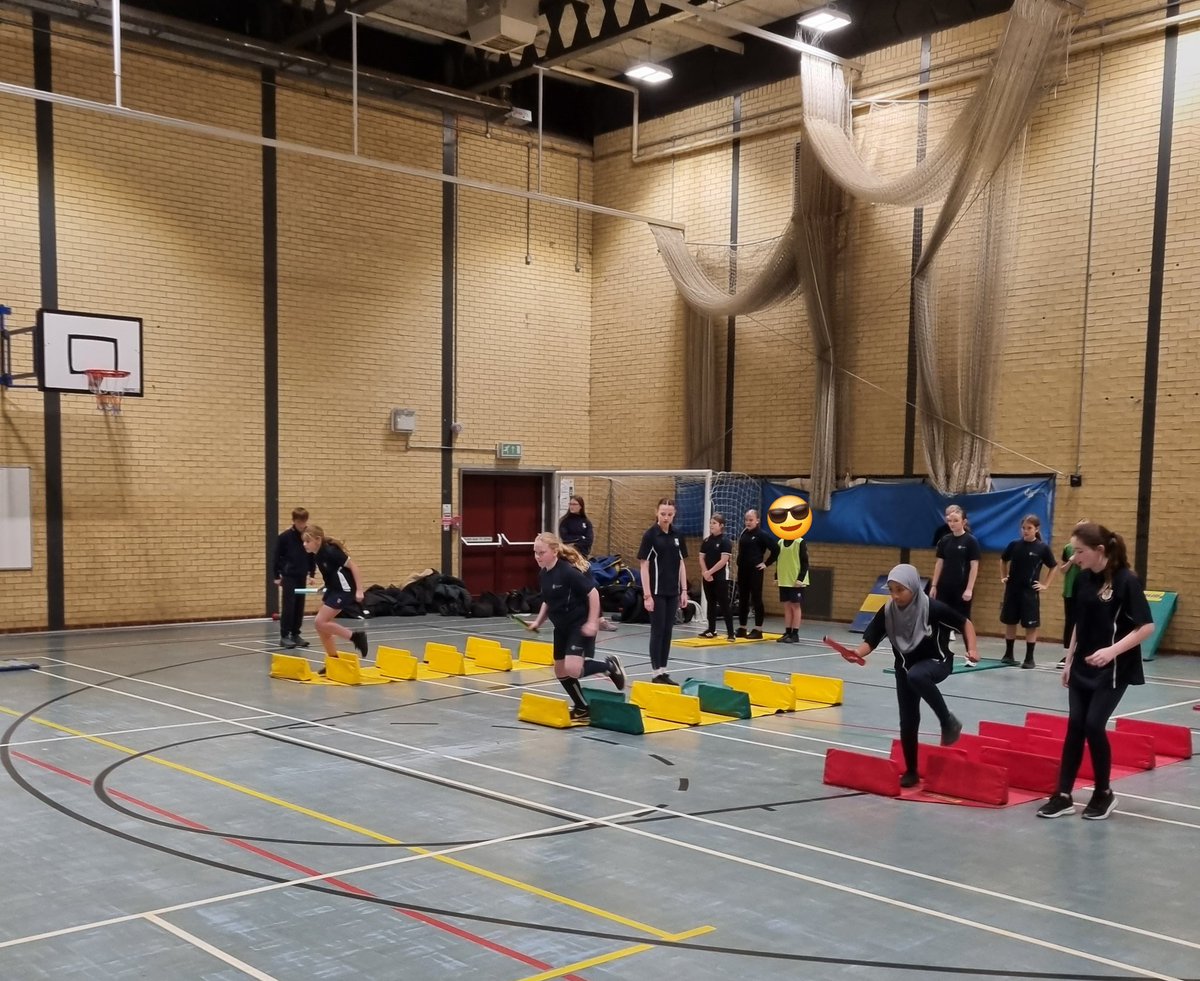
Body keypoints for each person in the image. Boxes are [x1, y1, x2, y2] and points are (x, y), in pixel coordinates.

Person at [1036, 523, 1153, 821]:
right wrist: (1070, 658)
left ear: (1099, 551)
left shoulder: (1127, 581)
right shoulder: (1083, 580)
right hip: (1083, 665)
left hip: (1114, 667)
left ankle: (1104, 793)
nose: (1074, 557)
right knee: (1075, 724)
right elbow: (1079, 622)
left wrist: (1112, 651)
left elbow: (1146, 627)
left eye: (1079, 551)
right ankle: (1063, 794)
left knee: (1093, 725)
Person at [846, 564, 980, 788]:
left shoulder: (931, 608)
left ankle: (948, 722)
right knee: (908, 720)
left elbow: (965, 623)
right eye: (891, 590)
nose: (895, 595)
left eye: (900, 590)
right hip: (904, 667)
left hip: (937, 662)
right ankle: (911, 771)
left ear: (913, 587)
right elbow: (872, 639)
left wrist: (973, 649)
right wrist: (857, 653)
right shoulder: (888, 611)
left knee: (917, 676)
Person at [528, 532, 626, 720]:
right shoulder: (543, 574)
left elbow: (593, 593)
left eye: (541, 552)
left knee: (573, 669)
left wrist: (592, 622)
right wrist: (538, 621)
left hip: (578, 624)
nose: (537, 557)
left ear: (555, 551)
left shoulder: (567, 572)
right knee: (560, 671)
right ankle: (581, 707)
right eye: (535, 552)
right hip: (561, 627)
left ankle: (609, 666)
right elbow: (547, 601)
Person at [638, 498, 688, 685]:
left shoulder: (678, 535)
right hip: (656, 592)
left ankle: (664, 670)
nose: (666, 518)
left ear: (674, 514)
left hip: (672, 592)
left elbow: (682, 563)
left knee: (668, 631)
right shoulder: (651, 535)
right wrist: (647, 595)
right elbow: (644, 565)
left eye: (669, 514)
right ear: (656, 513)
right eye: (662, 514)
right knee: (657, 631)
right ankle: (655, 672)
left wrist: (684, 590)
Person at [302, 525, 369, 665]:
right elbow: (332, 572)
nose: (304, 544)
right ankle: (333, 662)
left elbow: (354, 567)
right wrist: (325, 585)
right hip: (334, 589)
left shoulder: (331, 551)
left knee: (319, 622)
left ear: (318, 540)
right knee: (321, 627)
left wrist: (359, 589)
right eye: (304, 541)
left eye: (308, 541)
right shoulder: (318, 555)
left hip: (344, 590)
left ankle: (356, 637)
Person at [999, 514, 1058, 668]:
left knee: (1030, 625)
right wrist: (1004, 576)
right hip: (1012, 591)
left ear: (1036, 529)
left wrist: (1045, 584)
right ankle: (1008, 654)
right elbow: (1003, 559)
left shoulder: (1042, 548)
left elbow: (1053, 566)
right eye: (1023, 528)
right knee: (1010, 622)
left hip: (1029, 593)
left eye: (1029, 528)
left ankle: (1029, 658)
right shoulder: (1014, 545)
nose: (1025, 531)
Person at [272, 507, 316, 650]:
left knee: (299, 606)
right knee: (289, 606)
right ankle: (285, 635)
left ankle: (296, 634)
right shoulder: (284, 537)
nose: (302, 524)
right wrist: (276, 575)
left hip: (301, 576)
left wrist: (312, 574)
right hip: (289, 576)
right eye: (299, 521)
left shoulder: (307, 536)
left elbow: (311, 555)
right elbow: (276, 557)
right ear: (294, 521)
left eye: (304, 521)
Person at [929, 504, 981, 622]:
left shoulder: (971, 541)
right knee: (941, 617)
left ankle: (968, 640)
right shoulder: (945, 540)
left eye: (956, 521)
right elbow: (939, 563)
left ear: (964, 522)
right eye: (950, 521)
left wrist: (969, 589)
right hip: (944, 586)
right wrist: (934, 586)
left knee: (963, 620)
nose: (952, 524)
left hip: (961, 587)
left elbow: (974, 566)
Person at [734, 509, 778, 639]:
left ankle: (758, 629)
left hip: (755, 571)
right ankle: (742, 627)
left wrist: (766, 563)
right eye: (746, 520)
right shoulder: (744, 533)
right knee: (742, 598)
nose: (748, 522)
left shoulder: (762, 534)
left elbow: (776, 549)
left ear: (757, 520)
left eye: (751, 520)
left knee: (756, 598)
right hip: (743, 570)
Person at [698, 513, 735, 640]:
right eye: (710, 523)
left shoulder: (725, 541)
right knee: (711, 603)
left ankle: (731, 632)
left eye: (714, 523)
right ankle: (711, 629)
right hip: (707, 577)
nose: (711, 525)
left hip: (720, 578)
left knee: (724, 604)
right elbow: (701, 557)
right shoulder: (707, 541)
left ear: (721, 525)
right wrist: (705, 572)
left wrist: (711, 572)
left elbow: (724, 560)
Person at [1057, 519, 1088, 669]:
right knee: (1070, 622)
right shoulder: (1068, 548)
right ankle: (1067, 654)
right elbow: (1062, 569)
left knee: (1084, 622)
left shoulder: (1090, 550)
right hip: (1070, 591)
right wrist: (1070, 561)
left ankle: (1082, 653)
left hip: (1085, 592)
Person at [774, 529, 809, 645]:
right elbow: (778, 560)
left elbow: (805, 562)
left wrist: (800, 578)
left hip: (796, 581)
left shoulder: (800, 542)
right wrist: (776, 576)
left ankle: (795, 633)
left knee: (795, 606)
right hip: (784, 579)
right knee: (787, 605)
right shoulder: (780, 542)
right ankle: (788, 632)